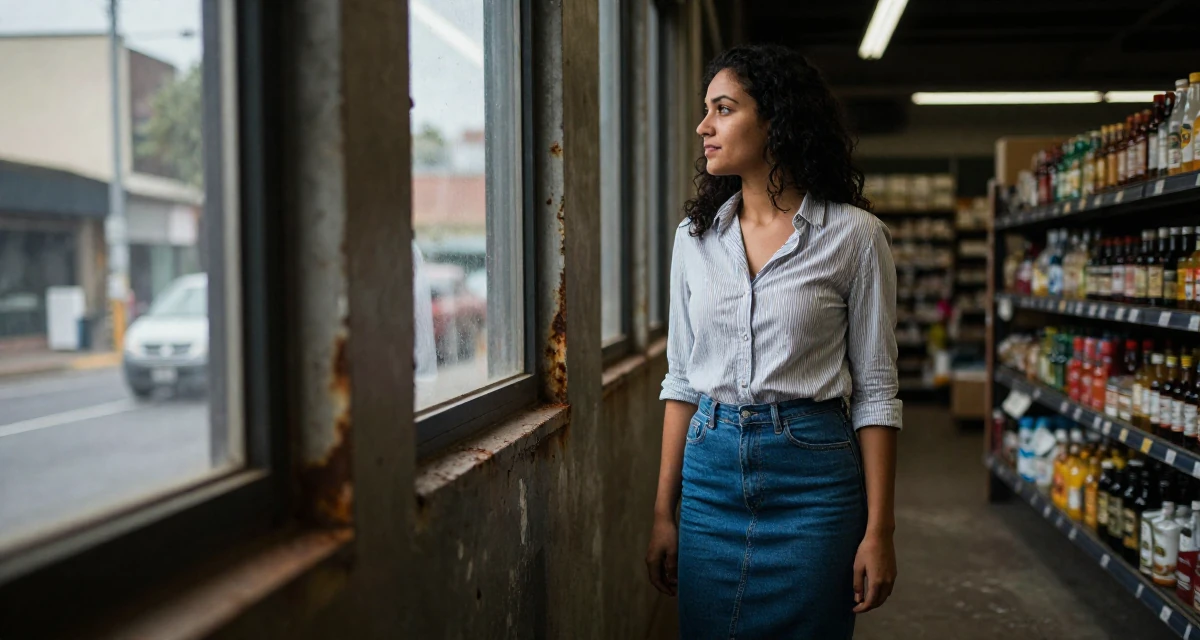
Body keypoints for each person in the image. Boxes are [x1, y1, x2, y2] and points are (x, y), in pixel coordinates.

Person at [644, 44, 900, 639]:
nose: (703, 126)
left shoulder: (855, 238)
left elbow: (877, 392)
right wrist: (663, 512)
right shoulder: (694, 238)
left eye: (723, 108)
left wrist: (880, 530)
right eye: (707, 109)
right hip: (709, 479)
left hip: (814, 481)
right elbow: (681, 379)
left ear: (777, 120)